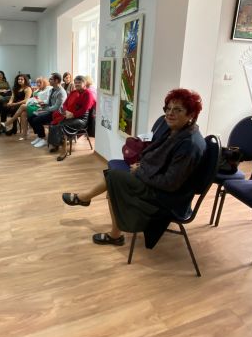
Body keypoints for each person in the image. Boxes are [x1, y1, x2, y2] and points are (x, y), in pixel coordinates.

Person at [61, 88, 205, 246]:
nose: (170, 113)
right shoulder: (176, 130)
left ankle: (87, 202)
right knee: (114, 179)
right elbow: (154, 155)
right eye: (168, 108)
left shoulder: (189, 145)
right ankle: (99, 216)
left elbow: (169, 184)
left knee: (114, 177)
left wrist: (141, 171)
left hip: (166, 199)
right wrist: (142, 166)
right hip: (156, 182)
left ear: (191, 114)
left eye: (178, 110)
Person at [50, 75, 95, 161]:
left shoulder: (88, 94)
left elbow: (84, 110)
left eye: (79, 82)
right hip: (71, 114)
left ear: (84, 83)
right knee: (55, 123)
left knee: (61, 126)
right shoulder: (73, 92)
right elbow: (65, 104)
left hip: (81, 119)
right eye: (75, 82)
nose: (77, 84)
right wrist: (66, 111)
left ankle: (64, 152)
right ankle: (56, 144)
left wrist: (73, 115)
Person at [5, 76, 51, 140]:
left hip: (42, 108)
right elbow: (34, 99)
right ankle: (24, 135)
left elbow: (47, 101)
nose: (38, 84)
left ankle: (10, 121)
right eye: (37, 82)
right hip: (36, 106)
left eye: (40, 82)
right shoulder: (36, 90)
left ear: (44, 83)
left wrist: (38, 101)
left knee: (23, 106)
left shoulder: (48, 89)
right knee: (23, 113)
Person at [28, 73, 67, 148]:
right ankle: (39, 136)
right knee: (30, 117)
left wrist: (45, 108)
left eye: (51, 79)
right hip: (50, 110)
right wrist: (42, 103)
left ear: (56, 80)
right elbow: (48, 101)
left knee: (36, 120)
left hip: (57, 113)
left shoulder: (61, 92)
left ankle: (43, 139)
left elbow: (56, 107)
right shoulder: (52, 90)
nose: (49, 80)